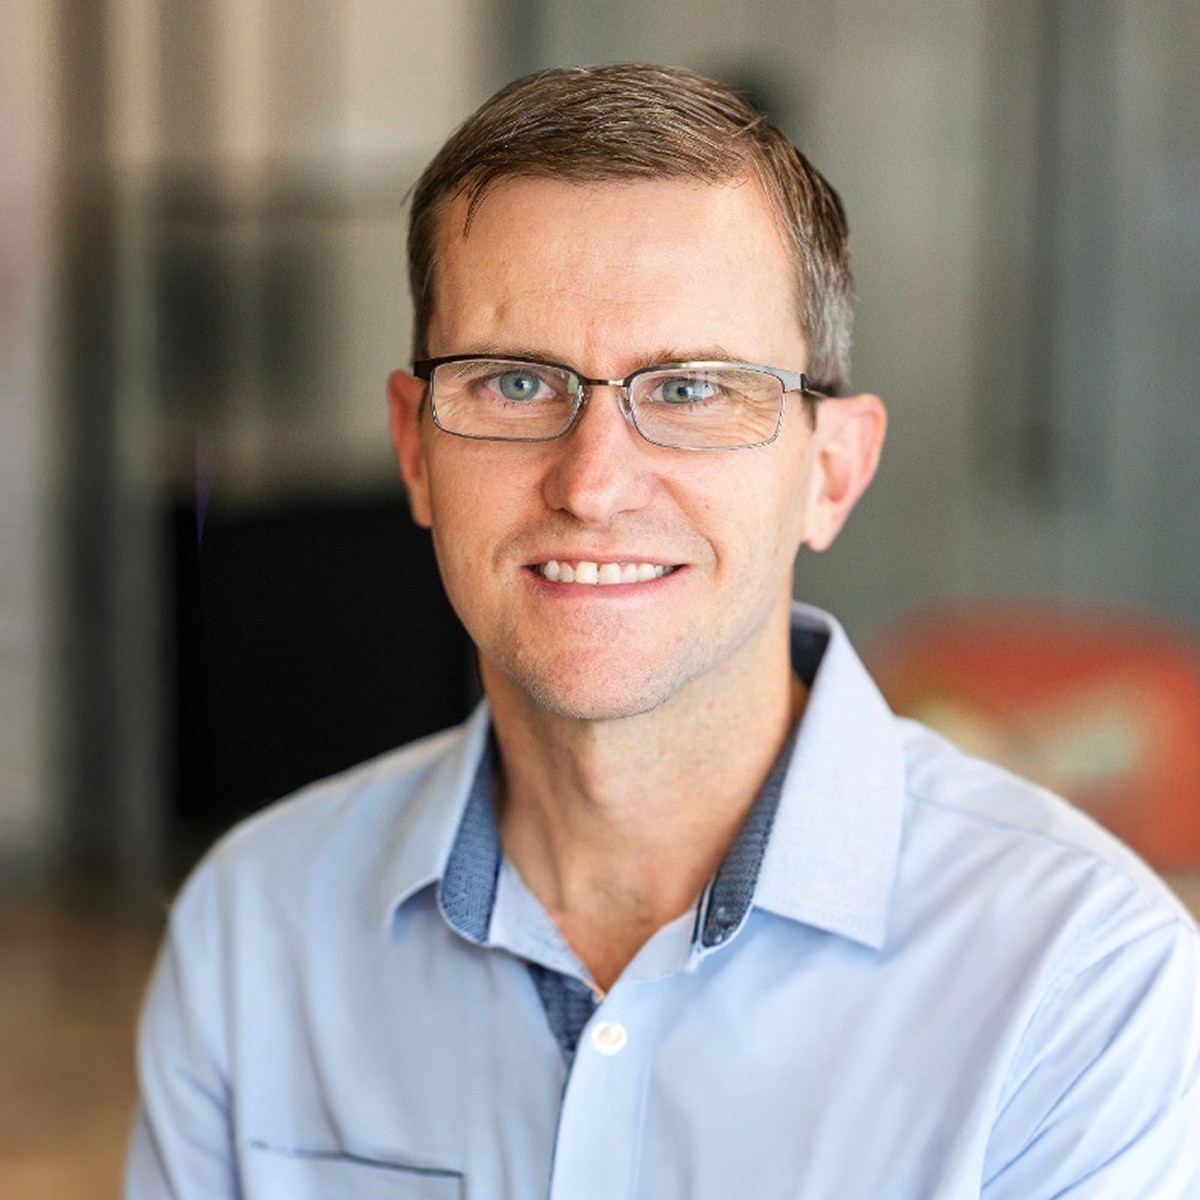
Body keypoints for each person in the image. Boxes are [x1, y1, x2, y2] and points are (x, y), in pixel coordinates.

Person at [126, 64, 1200, 1199]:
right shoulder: (254, 932)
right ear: (413, 447)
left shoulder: (1076, 974)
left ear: (833, 472)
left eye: (690, 389)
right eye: (515, 382)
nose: (592, 484)